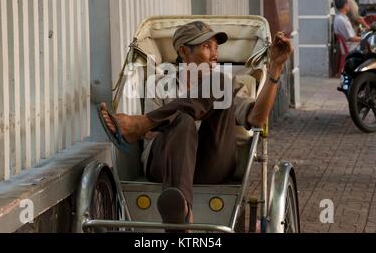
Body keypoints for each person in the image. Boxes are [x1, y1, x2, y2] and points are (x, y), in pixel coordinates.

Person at [99, 21, 293, 228]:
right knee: (183, 121)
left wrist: (275, 67)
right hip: (166, 164)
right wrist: (179, 125)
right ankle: (181, 210)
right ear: (183, 51)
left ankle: (141, 123)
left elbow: (256, 119)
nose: (215, 54)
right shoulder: (159, 85)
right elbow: (151, 138)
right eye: (206, 47)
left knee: (219, 84)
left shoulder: (226, 83)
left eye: (216, 48)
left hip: (212, 164)